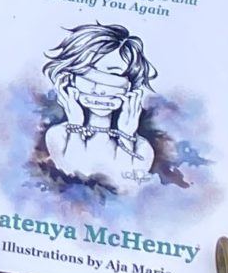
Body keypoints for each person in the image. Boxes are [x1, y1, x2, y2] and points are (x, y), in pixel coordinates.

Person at [37, 22, 161, 193]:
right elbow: (73, 183)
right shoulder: (58, 136)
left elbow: (122, 192)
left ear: (131, 87)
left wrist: (126, 135)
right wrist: (76, 123)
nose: (101, 89)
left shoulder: (141, 149)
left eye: (114, 75)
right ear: (70, 79)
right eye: (91, 73)